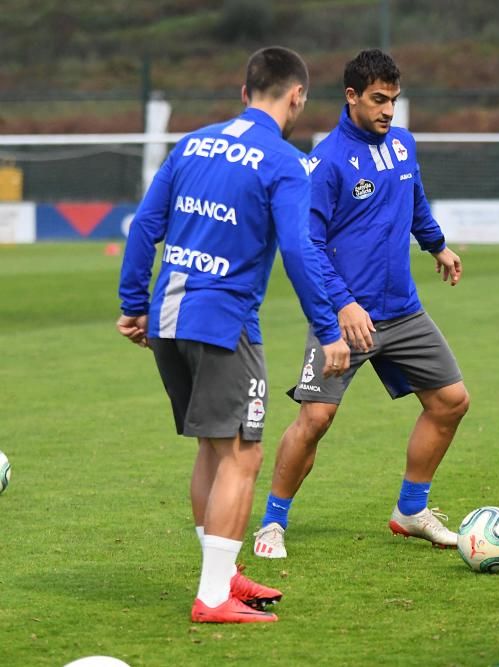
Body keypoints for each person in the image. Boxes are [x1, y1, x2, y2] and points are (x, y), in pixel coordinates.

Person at [116, 46, 350, 623]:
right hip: (223, 324)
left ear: (244, 93)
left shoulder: (192, 143)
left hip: (170, 318)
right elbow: (298, 251)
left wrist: (133, 304)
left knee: (214, 450)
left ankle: (220, 575)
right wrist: (328, 329)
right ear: (297, 96)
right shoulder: (284, 162)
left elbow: (146, 223)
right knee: (243, 455)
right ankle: (212, 595)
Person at [253, 48, 469, 559]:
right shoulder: (326, 161)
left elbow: (414, 198)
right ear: (351, 96)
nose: (388, 110)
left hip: (404, 310)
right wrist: (344, 305)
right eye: (378, 99)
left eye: (393, 100)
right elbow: (308, 245)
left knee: (451, 401)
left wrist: (436, 244)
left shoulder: (402, 145)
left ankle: (411, 511)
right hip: (345, 317)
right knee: (315, 420)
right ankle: (271, 524)